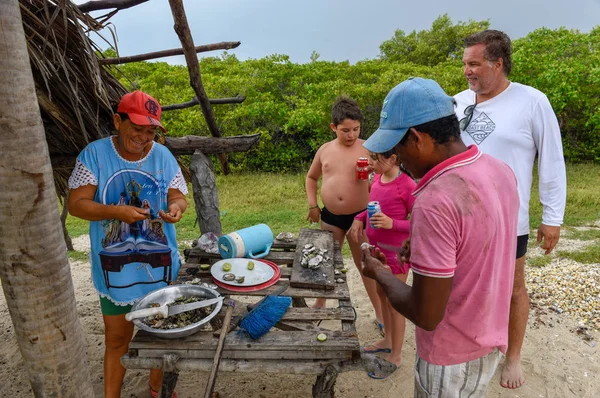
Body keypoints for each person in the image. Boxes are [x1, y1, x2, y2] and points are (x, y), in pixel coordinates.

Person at [360, 77, 519, 397]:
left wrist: (381, 274)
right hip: (488, 340)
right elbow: (478, 242)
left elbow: (426, 314)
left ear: (417, 138)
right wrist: (422, 241)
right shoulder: (499, 170)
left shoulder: (435, 199)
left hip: (450, 357)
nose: (399, 161)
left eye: (398, 149)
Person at [454, 29, 567, 389]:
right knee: (462, 285)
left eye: (474, 64)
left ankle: (512, 355)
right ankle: (469, 343)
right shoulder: (457, 102)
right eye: (465, 64)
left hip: (508, 220)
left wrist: (552, 219)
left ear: (497, 63)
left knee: (514, 288)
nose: (467, 71)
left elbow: (551, 161)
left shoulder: (532, 101)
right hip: (460, 217)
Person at [68, 91, 187, 398]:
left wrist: (176, 209)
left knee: (161, 336)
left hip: (159, 265)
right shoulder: (94, 155)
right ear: (118, 121)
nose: (144, 137)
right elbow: (77, 205)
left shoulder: (162, 155)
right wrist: (115, 211)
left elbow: (177, 196)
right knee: (117, 341)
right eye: (137, 128)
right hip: (116, 270)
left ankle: (157, 390)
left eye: (150, 131)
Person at [305, 96, 381, 322]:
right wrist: (313, 205)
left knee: (365, 264)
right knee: (325, 261)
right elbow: (311, 177)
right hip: (330, 216)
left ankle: (379, 312)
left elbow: (382, 182)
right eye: (345, 130)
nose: (352, 135)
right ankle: (320, 304)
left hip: (359, 217)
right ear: (333, 127)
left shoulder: (369, 148)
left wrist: (370, 177)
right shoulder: (325, 150)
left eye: (356, 129)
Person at [348, 148, 416, 378]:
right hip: (376, 252)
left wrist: (392, 224)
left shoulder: (407, 185)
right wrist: (359, 219)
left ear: (394, 159)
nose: (370, 162)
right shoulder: (377, 178)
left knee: (395, 304)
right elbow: (371, 205)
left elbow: (420, 221)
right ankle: (387, 338)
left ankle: (396, 355)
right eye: (371, 157)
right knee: (381, 294)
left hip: (395, 255)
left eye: (376, 158)